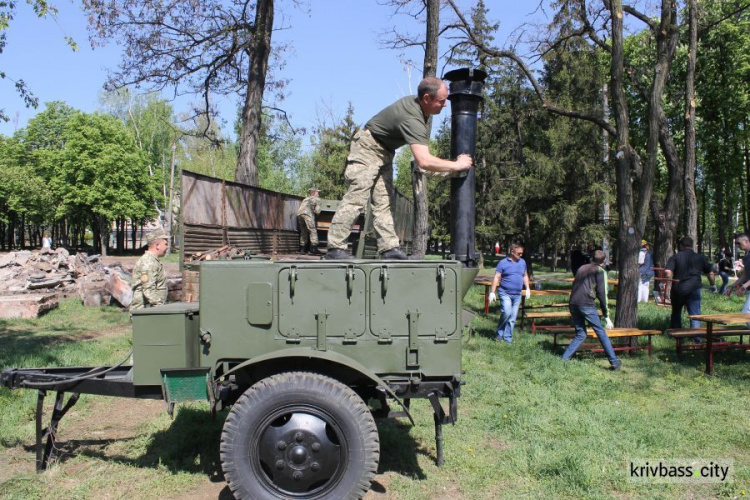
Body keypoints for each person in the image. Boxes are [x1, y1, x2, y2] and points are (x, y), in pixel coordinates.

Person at [324, 76, 472, 260]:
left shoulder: (421, 113)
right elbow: (424, 161)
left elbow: (423, 164)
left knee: (384, 202)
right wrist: (457, 165)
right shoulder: (412, 117)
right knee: (357, 197)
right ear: (427, 98)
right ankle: (334, 248)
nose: (444, 105)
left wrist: (453, 170)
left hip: (385, 152)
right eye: (442, 101)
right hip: (367, 148)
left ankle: (389, 249)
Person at [561, 250, 621, 370]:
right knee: (601, 332)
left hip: (573, 303)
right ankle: (614, 361)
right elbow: (602, 294)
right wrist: (607, 316)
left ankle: (564, 358)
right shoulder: (600, 272)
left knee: (581, 333)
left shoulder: (582, 268)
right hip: (586, 304)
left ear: (591, 258)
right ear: (603, 262)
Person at [664, 236, 715, 329]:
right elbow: (710, 273)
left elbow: (667, 272)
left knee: (676, 313)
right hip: (694, 289)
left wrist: (666, 278)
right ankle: (696, 339)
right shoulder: (700, 257)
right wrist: (712, 285)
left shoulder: (676, 257)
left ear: (681, 245)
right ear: (692, 245)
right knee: (695, 315)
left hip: (679, 289)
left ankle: (677, 336)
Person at [488, 243, 531, 343]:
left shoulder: (522, 262)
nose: (520, 255)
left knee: (512, 318)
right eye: (519, 253)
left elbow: (525, 275)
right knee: (506, 312)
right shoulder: (503, 263)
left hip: (517, 294)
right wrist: (492, 292)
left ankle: (508, 339)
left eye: (521, 254)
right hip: (505, 293)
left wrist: (528, 288)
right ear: (512, 252)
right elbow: (497, 277)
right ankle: (499, 333)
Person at [130, 228, 169, 310]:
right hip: (145, 313)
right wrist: (161, 308)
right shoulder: (148, 263)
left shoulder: (153, 261)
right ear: (157, 245)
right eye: (166, 244)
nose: (168, 247)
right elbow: (148, 291)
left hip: (151, 310)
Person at [725, 234, 750, 324]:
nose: (738, 245)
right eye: (736, 243)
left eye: (739, 243)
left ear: (746, 242)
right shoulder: (747, 256)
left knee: (746, 313)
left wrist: (744, 287)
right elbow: (746, 275)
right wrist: (732, 286)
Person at [297, 188, 322, 255]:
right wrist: (316, 216)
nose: (319, 194)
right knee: (312, 230)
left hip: (300, 214)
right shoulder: (317, 199)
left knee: (303, 231)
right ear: (314, 193)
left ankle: (302, 249)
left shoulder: (305, 199)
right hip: (308, 214)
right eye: (318, 192)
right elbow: (317, 211)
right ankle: (313, 249)